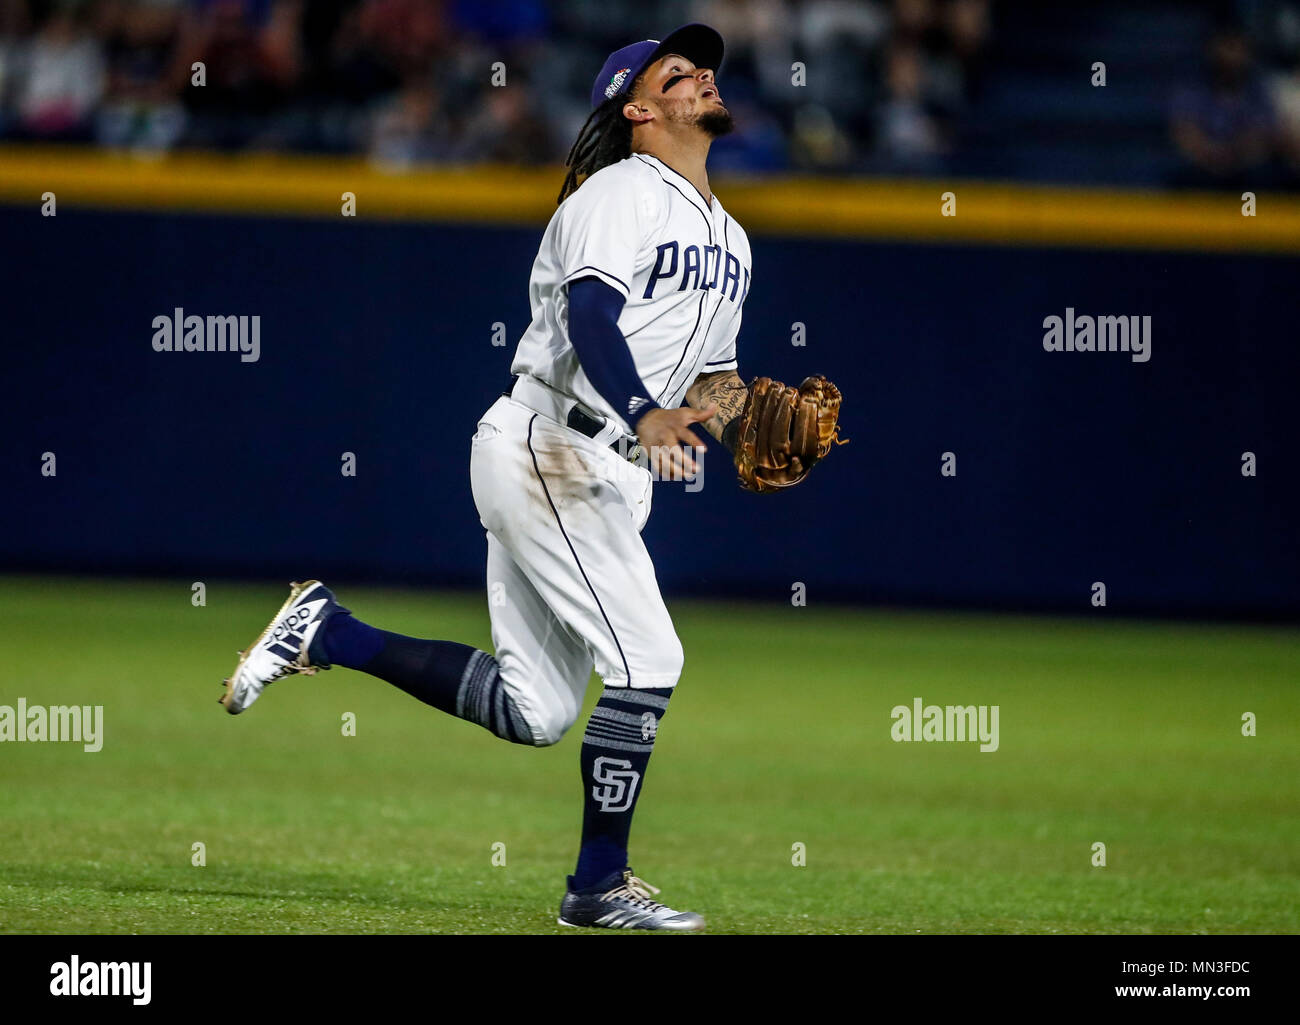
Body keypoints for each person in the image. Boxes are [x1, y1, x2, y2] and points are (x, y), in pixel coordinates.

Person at [220, 23, 757, 931]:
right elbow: (592, 314)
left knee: (536, 709)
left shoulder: (734, 238)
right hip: (551, 444)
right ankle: (597, 886)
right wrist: (640, 413)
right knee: (649, 658)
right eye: (679, 71)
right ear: (636, 108)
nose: (703, 75)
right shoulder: (620, 193)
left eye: (704, 68)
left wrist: (750, 419)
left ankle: (331, 630)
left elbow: (712, 378)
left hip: (611, 471)